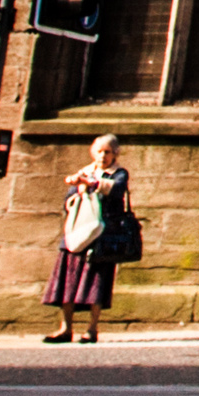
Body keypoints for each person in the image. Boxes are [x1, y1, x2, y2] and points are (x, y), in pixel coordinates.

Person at [42, 134, 131, 344]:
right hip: (77, 233)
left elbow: (116, 190)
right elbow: (69, 200)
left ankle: (92, 329)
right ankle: (66, 328)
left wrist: (89, 184)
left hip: (102, 236)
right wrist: (78, 190)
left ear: (115, 154)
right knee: (67, 281)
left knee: (97, 283)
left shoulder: (119, 174)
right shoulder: (84, 172)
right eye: (99, 152)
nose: (103, 156)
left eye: (107, 152)